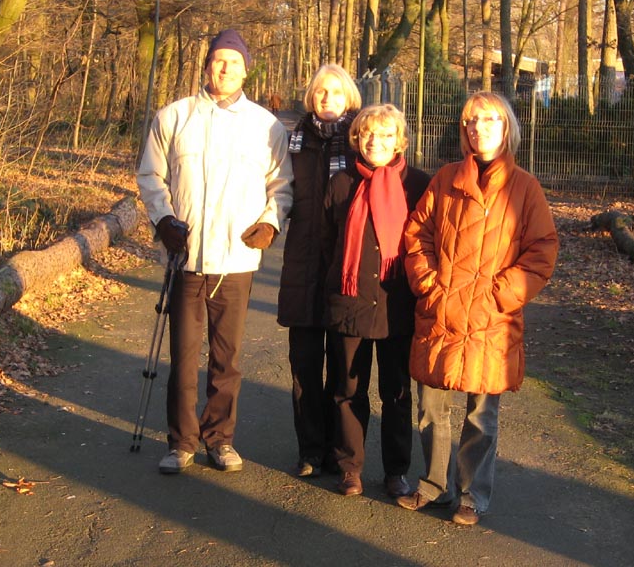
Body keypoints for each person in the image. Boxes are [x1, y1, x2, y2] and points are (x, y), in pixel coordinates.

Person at [396, 91, 558, 524]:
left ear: (506, 127)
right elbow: (417, 235)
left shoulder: (525, 188)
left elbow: (542, 251)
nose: (478, 128)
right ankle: (433, 486)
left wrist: (500, 296)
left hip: (492, 319)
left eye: (488, 120)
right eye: (471, 121)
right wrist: (429, 286)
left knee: (482, 416)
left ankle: (472, 495)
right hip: (441, 312)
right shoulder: (445, 179)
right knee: (431, 408)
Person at [137, 29, 293, 475]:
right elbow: (150, 176)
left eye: (234, 62)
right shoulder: (173, 117)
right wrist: (163, 220)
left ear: (246, 70)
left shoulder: (266, 126)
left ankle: (220, 440)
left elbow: (282, 184)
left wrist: (270, 222)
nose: (226, 69)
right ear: (207, 66)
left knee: (227, 359)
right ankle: (181, 442)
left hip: (236, 259)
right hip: (186, 258)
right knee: (184, 357)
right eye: (219, 60)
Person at [321, 104, 431, 498]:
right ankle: (349, 467)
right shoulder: (341, 183)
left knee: (396, 393)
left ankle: (396, 471)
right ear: (356, 138)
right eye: (368, 133)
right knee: (347, 389)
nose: (376, 141)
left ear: (400, 141)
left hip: (397, 304)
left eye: (386, 134)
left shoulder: (419, 185)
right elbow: (327, 244)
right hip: (349, 302)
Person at [278, 64, 362, 478]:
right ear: (311, 97)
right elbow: (275, 189)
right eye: (320, 92)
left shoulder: (362, 142)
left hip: (346, 268)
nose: (327, 98)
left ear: (349, 98)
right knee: (305, 366)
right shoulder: (293, 142)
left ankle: (341, 453)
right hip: (302, 265)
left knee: (345, 370)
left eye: (336, 92)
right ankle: (311, 450)